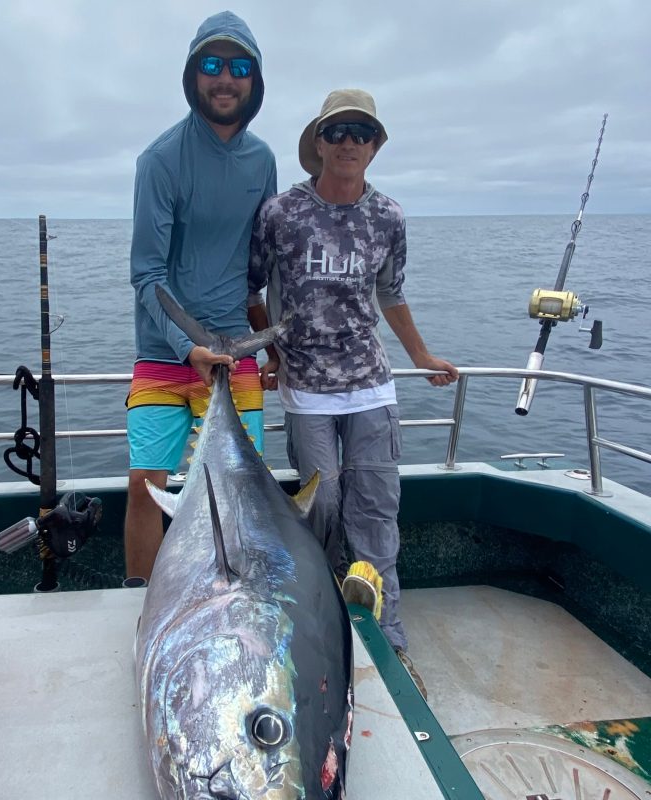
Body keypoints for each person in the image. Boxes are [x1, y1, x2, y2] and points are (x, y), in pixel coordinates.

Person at [248, 88, 457, 691]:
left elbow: (391, 293)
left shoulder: (389, 216)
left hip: (371, 387)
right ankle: (315, 627)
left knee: (376, 513)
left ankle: (387, 642)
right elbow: (251, 289)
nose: (348, 142)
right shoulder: (281, 212)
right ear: (317, 143)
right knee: (322, 509)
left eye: (361, 132)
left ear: (376, 145)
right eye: (337, 131)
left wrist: (420, 355)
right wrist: (271, 352)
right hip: (307, 390)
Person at [125, 11, 276, 581]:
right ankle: (142, 602)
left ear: (254, 82)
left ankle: (234, 602)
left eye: (239, 67)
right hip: (166, 355)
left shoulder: (263, 160)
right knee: (146, 486)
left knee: (241, 494)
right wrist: (187, 345)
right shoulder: (160, 161)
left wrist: (273, 341)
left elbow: (257, 267)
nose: (224, 78)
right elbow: (147, 274)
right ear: (193, 76)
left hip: (236, 354)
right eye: (212, 65)